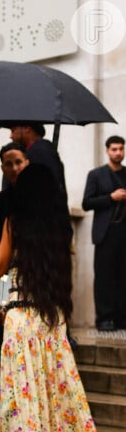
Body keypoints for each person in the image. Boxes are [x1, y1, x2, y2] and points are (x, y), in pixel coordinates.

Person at [0, 163, 119, 432]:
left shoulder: (13, 222)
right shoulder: (59, 229)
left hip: (20, 320)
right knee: (52, 394)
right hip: (50, 319)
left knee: (24, 401)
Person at [0, 142, 29, 378]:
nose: (14, 168)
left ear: (27, 163)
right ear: (1, 168)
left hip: (31, 275)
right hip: (4, 272)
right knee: (0, 318)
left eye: (18, 162)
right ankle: (4, 371)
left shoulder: (40, 197)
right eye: (8, 164)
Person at [82, 134, 126, 331]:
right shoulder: (96, 174)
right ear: (107, 151)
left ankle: (122, 318)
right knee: (104, 277)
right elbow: (87, 203)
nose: (118, 152)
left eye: (121, 149)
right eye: (114, 149)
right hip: (105, 233)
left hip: (124, 232)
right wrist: (111, 197)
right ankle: (104, 318)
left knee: (123, 276)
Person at [9, 122, 67, 202]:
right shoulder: (37, 150)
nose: (11, 136)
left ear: (26, 128)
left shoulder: (40, 152)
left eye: (13, 130)